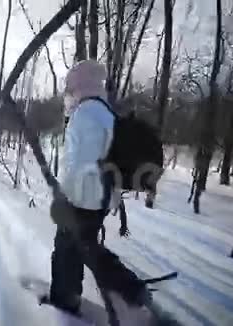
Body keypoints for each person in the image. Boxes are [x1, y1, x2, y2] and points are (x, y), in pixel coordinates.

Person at [44, 59, 151, 316]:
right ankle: (120, 289)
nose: (68, 92)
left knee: (71, 250)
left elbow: (83, 165)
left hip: (84, 199)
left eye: (71, 86)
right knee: (81, 247)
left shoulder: (86, 114)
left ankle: (121, 289)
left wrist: (65, 198)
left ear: (81, 85)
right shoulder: (104, 111)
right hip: (98, 197)